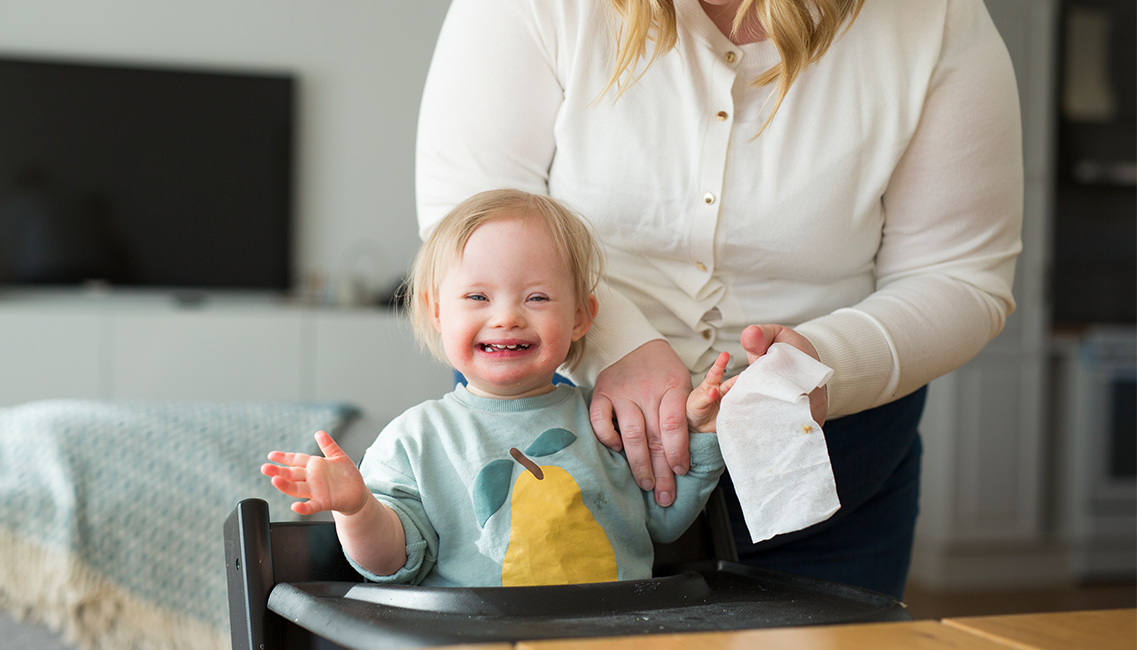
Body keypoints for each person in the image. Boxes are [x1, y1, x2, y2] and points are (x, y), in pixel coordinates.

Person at [415, 0, 1023, 598]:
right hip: (555, 444)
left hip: (824, 471)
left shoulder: (934, 17)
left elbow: (960, 274)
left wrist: (824, 358)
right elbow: (468, 227)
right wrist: (617, 345)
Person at [262, 189, 735, 586]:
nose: (506, 317)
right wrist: (357, 508)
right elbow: (392, 565)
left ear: (580, 317)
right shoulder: (415, 439)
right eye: (477, 297)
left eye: (536, 297)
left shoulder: (608, 424)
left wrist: (702, 433)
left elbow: (665, 520)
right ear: (437, 312)